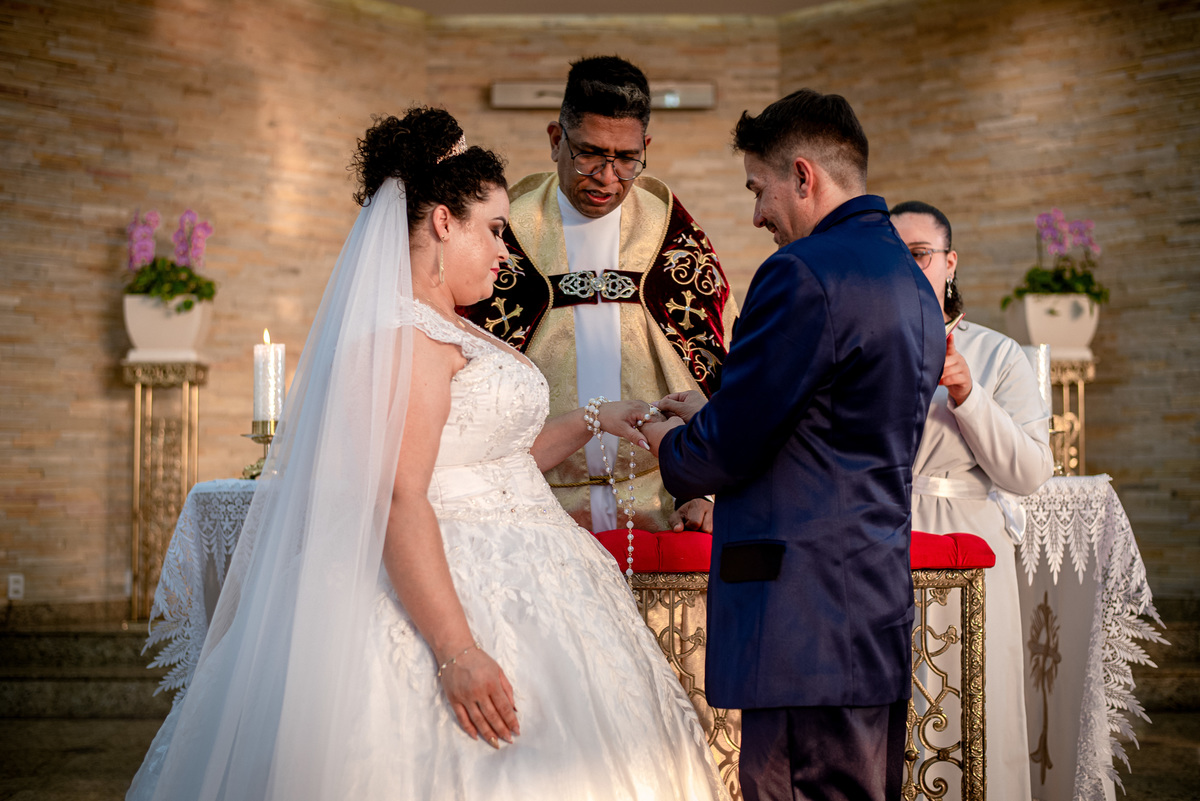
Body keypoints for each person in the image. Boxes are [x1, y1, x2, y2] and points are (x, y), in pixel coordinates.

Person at [126, 107, 728, 801]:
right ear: (444, 222)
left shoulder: (449, 328)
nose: (505, 252)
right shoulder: (407, 336)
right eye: (494, 230)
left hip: (536, 570)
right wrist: (458, 651)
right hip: (452, 583)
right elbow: (400, 493)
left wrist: (596, 419)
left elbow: (493, 459)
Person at [642, 89, 945, 801]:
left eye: (759, 189)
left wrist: (670, 441)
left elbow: (725, 450)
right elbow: (833, 424)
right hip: (871, 606)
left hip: (800, 622)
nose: (757, 215)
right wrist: (718, 407)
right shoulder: (909, 279)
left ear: (803, 176)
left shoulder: (801, 272)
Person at [461, 55, 737, 536]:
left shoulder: (674, 238)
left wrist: (705, 489)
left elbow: (718, 371)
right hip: (535, 504)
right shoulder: (508, 237)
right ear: (556, 140)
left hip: (660, 506)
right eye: (589, 154)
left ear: (645, 147)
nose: (608, 177)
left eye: (627, 158)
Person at [891, 200, 1054, 801]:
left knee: (973, 701)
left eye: (919, 254)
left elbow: (1030, 471)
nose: (907, 268)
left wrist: (967, 393)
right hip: (881, 538)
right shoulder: (861, 346)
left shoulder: (997, 354)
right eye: (893, 255)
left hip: (970, 542)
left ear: (950, 262)